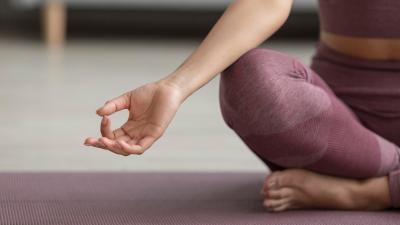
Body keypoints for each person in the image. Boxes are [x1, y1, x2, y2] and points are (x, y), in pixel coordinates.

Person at [84, 0, 400, 212]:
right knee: (248, 75)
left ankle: (366, 193)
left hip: (343, 156)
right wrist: (174, 87)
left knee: (370, 191)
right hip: (336, 124)